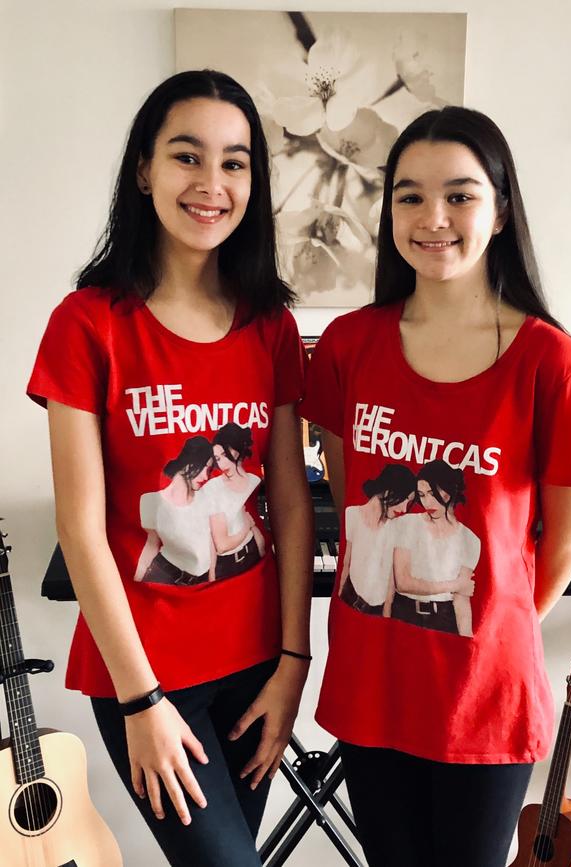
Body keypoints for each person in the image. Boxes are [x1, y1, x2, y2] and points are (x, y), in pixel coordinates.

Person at [27, 70, 313, 867]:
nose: (212, 184)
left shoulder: (270, 326)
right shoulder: (86, 325)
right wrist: (140, 699)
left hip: (257, 667)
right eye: (188, 157)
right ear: (145, 169)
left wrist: (295, 663)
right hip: (149, 673)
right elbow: (80, 528)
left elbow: (289, 507)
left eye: (235, 162)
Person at [301, 106, 571, 867]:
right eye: (409, 196)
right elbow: (350, 489)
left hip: (486, 699)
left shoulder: (549, 362)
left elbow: (569, 535)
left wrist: (493, 631)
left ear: (500, 211)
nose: (434, 217)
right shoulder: (347, 346)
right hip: (374, 687)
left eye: (461, 195)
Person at [387, 459, 479, 637]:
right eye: (421, 494)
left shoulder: (471, 539)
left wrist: (467, 639)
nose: (427, 502)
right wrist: (455, 584)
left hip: (446, 619)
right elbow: (403, 582)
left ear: (449, 490)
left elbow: (461, 600)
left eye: (432, 492)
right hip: (403, 612)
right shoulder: (406, 524)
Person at [135, 435, 216, 586]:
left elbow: (212, 542)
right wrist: (136, 584)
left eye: (209, 469)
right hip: (165, 575)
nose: (206, 476)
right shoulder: (150, 501)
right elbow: (151, 544)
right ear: (188, 463)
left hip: (202, 581)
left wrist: (212, 580)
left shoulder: (207, 498)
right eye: (202, 468)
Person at [338, 464, 416, 616]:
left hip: (378, 610)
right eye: (403, 499)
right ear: (388, 490)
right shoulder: (352, 514)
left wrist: (386, 615)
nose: (405, 509)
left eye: (409, 502)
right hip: (350, 599)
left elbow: (391, 581)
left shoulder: (396, 528)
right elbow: (345, 563)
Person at [204, 422, 266, 580]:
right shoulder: (213, 488)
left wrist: (261, 551)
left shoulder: (254, 480)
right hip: (227, 565)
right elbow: (221, 545)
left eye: (225, 455)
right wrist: (246, 527)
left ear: (237, 449)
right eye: (217, 458)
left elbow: (257, 530)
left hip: (254, 554)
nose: (222, 464)